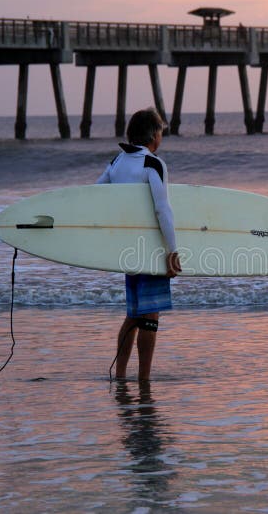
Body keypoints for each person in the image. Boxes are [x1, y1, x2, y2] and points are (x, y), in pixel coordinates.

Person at [97, 108, 182, 381]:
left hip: (128, 249)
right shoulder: (152, 163)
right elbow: (163, 209)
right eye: (161, 132)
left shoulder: (117, 162)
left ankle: (120, 375)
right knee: (150, 315)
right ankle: (144, 378)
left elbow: (94, 195)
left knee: (133, 314)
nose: (161, 137)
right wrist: (172, 250)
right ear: (153, 135)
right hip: (151, 247)